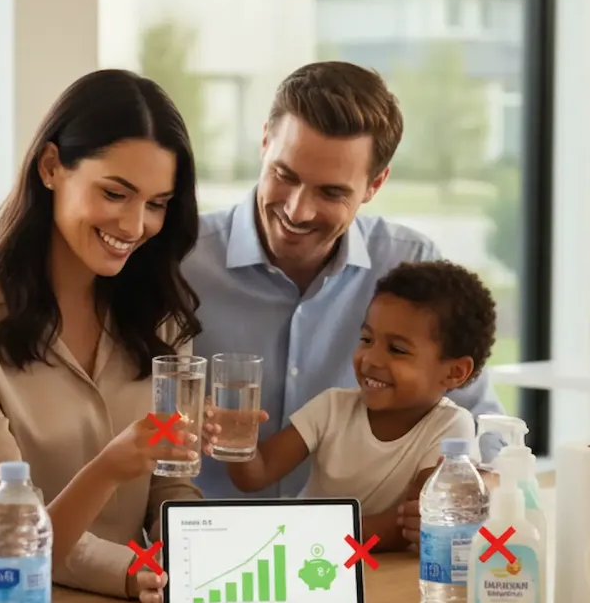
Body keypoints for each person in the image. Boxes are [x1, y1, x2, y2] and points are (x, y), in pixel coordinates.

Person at [0, 69, 204, 603]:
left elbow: (171, 483)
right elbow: (3, 526)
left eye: (158, 203)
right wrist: (130, 565)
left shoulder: (156, 312)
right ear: (51, 168)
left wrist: (193, 555)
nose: (136, 225)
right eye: (116, 193)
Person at [186, 60, 505, 525]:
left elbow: (485, 431)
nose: (298, 209)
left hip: (360, 564)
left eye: (331, 193)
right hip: (203, 546)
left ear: (375, 184)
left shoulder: (410, 267)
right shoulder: (181, 264)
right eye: (285, 175)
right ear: (263, 143)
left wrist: (480, 489)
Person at [224, 261, 496, 550]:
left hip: (366, 564)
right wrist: (236, 443)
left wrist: (312, 534)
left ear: (454, 372)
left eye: (397, 350)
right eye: (367, 339)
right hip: (310, 559)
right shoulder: (332, 407)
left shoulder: (452, 426)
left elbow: (409, 520)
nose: (370, 359)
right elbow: (258, 473)